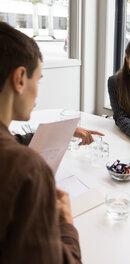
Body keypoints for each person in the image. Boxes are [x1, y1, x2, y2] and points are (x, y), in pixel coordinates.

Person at [0, 21, 82, 264]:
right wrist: (67, 224)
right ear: (20, 78)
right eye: (39, 79)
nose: (38, 91)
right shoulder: (29, 169)